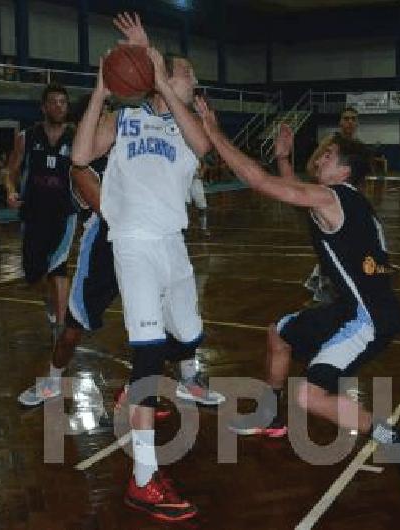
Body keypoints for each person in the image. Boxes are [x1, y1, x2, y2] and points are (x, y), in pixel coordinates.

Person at [195, 95, 400, 507]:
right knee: (279, 334)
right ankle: (271, 416)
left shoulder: (334, 197)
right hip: (351, 308)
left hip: (367, 319)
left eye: (329, 154)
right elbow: (291, 193)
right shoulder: (342, 202)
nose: (320, 157)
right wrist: (285, 160)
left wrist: (214, 133)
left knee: (310, 395)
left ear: (345, 171)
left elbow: (259, 183)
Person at [67, 12, 224, 522]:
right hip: (132, 242)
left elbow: (204, 148)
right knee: (148, 354)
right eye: (186, 73)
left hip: (172, 244)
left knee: (191, 338)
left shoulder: (184, 127)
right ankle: (142, 480)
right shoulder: (128, 116)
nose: (192, 80)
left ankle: (144, 385)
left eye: (188, 77)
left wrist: (157, 73)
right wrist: (100, 90)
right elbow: (80, 153)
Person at [6, 84, 78, 341]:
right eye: (54, 102)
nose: (59, 106)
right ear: (43, 107)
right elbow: (11, 171)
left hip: (64, 212)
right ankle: (52, 304)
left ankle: (61, 327)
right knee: (35, 274)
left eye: (63, 102)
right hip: (33, 213)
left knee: (59, 267)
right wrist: (10, 190)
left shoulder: (77, 137)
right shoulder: (27, 137)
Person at [304, 107, 370, 303]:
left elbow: (361, 180)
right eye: (346, 118)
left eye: (353, 119)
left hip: (349, 204)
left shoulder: (359, 147)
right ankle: (326, 288)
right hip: (329, 202)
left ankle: (330, 283)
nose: (349, 122)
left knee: (350, 245)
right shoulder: (330, 143)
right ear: (340, 122)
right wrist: (326, 186)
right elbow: (310, 167)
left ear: (357, 123)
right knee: (333, 245)